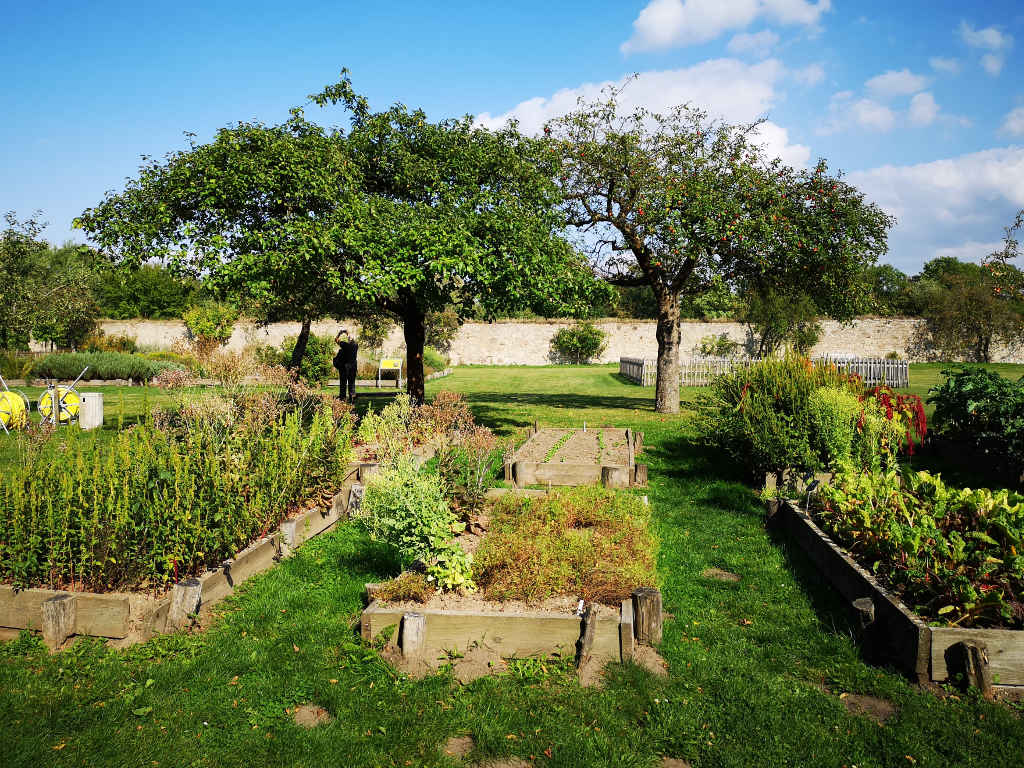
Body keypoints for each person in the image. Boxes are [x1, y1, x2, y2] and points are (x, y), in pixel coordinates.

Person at [333, 328, 358, 402]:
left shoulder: (345, 345)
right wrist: (348, 333)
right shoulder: (355, 346)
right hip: (353, 367)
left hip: (344, 367)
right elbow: (351, 339)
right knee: (352, 383)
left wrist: (340, 333)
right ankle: (352, 398)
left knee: (343, 384)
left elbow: (336, 340)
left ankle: (343, 398)